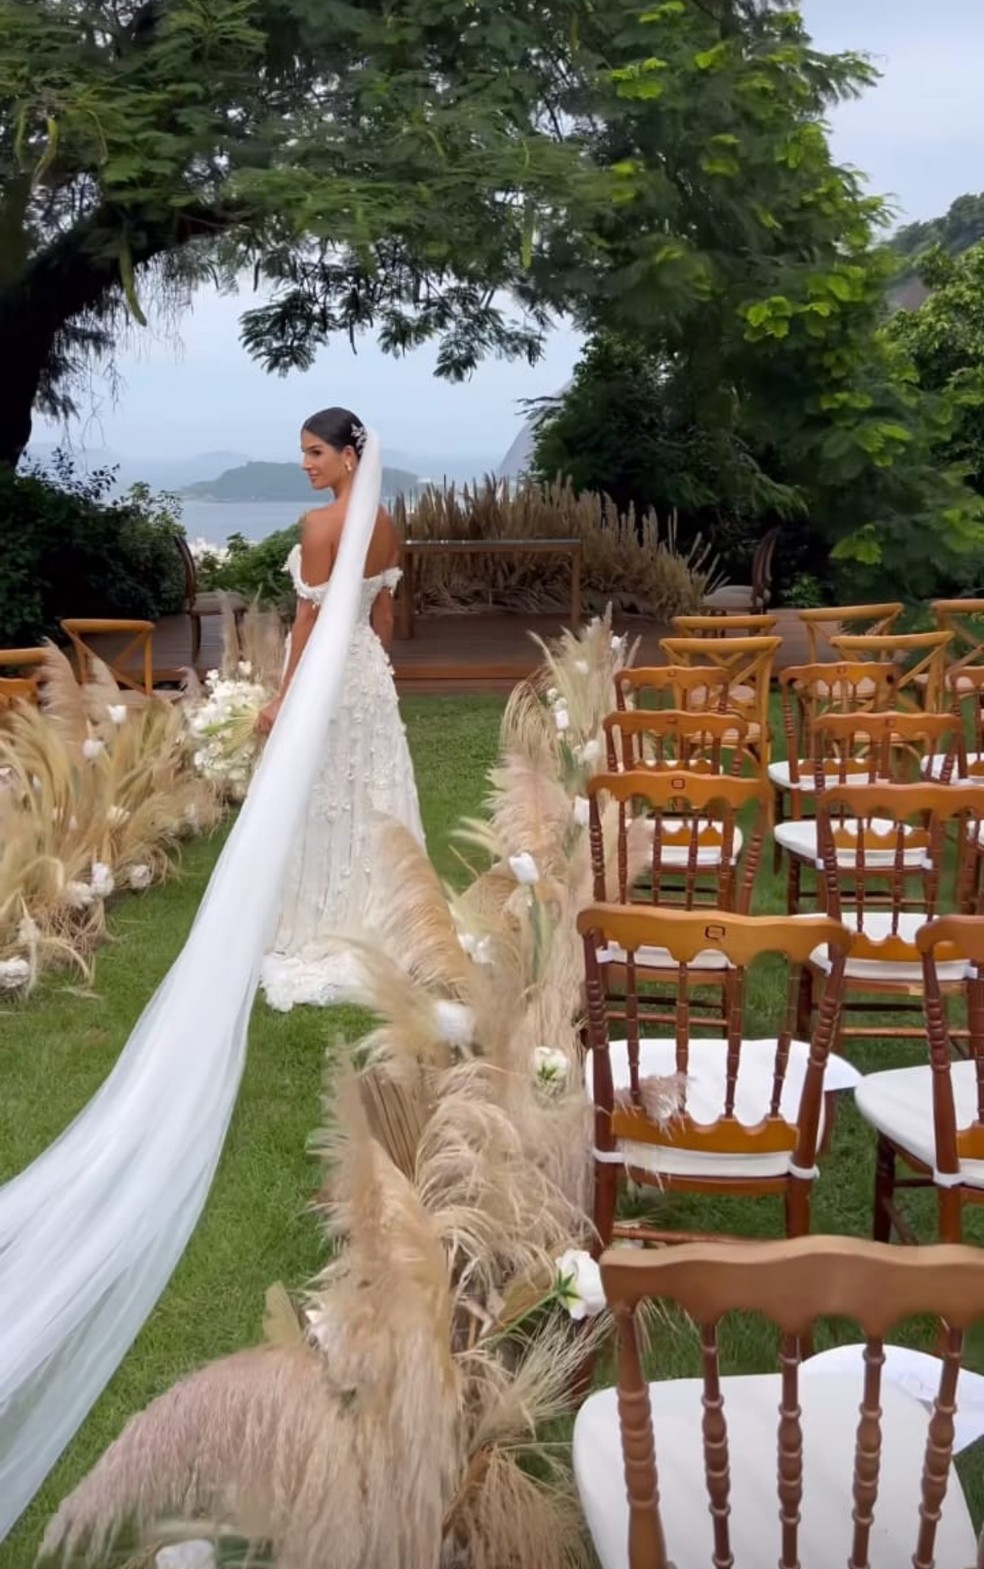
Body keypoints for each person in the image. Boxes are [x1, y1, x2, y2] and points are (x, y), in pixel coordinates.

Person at [257, 407, 425, 1011]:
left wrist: (283, 696)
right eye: (303, 453)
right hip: (369, 679)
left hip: (326, 677)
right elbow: (382, 615)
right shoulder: (383, 523)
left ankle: (317, 918)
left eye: (314, 454)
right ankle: (387, 913)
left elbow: (307, 619)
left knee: (322, 792)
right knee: (372, 792)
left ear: (347, 457)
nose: (305, 464)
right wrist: (375, 672)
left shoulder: (319, 525)